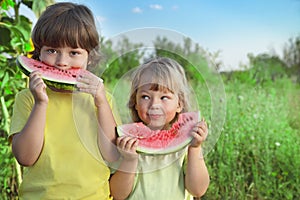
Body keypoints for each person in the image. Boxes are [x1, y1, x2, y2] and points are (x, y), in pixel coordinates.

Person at [9, 2, 120, 199]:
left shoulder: (102, 100)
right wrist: (40, 104)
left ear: (90, 57)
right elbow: (25, 157)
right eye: (52, 50)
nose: (62, 62)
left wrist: (101, 103)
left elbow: (112, 155)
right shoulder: (27, 98)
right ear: (38, 52)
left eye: (74, 53)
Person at [109, 57, 210, 200]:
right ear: (135, 103)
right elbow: (118, 194)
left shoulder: (187, 142)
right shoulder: (128, 143)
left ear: (179, 104)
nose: (154, 105)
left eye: (164, 97)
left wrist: (195, 149)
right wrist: (129, 160)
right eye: (145, 97)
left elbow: (198, 190)